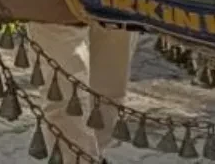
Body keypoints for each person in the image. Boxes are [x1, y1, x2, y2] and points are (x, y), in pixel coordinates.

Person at [27, 22, 139, 162]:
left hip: (113, 7)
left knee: (108, 93)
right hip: (53, 6)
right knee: (65, 96)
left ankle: (96, 156)